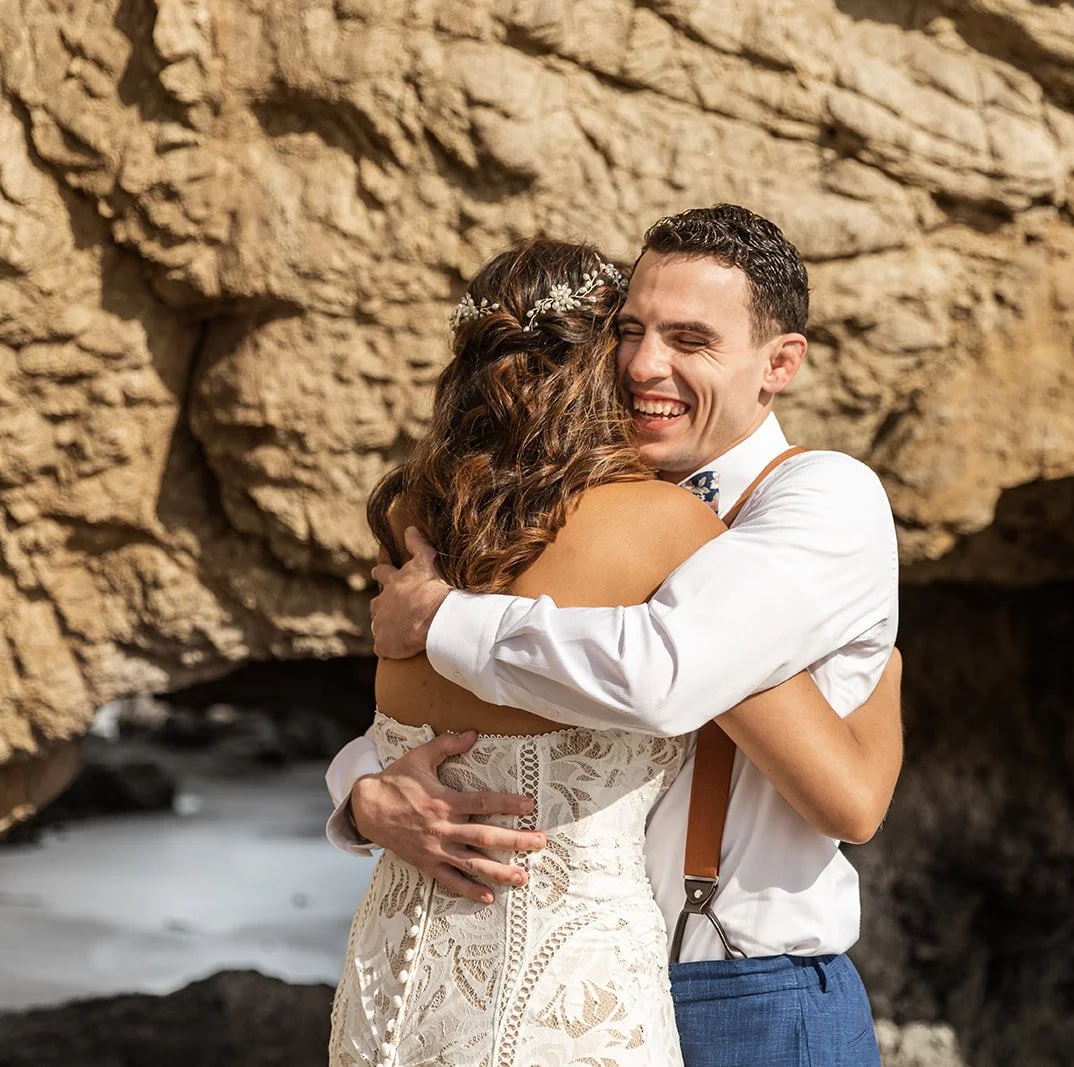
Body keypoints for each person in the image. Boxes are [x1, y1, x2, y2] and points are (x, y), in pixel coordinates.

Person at [328, 233, 903, 1067]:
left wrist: (443, 619)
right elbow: (451, 731)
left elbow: (666, 675)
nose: (642, 365)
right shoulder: (578, 506)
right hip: (587, 985)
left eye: (691, 340)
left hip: (746, 986)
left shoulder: (815, 498)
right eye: (629, 332)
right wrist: (366, 798)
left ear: (779, 364)